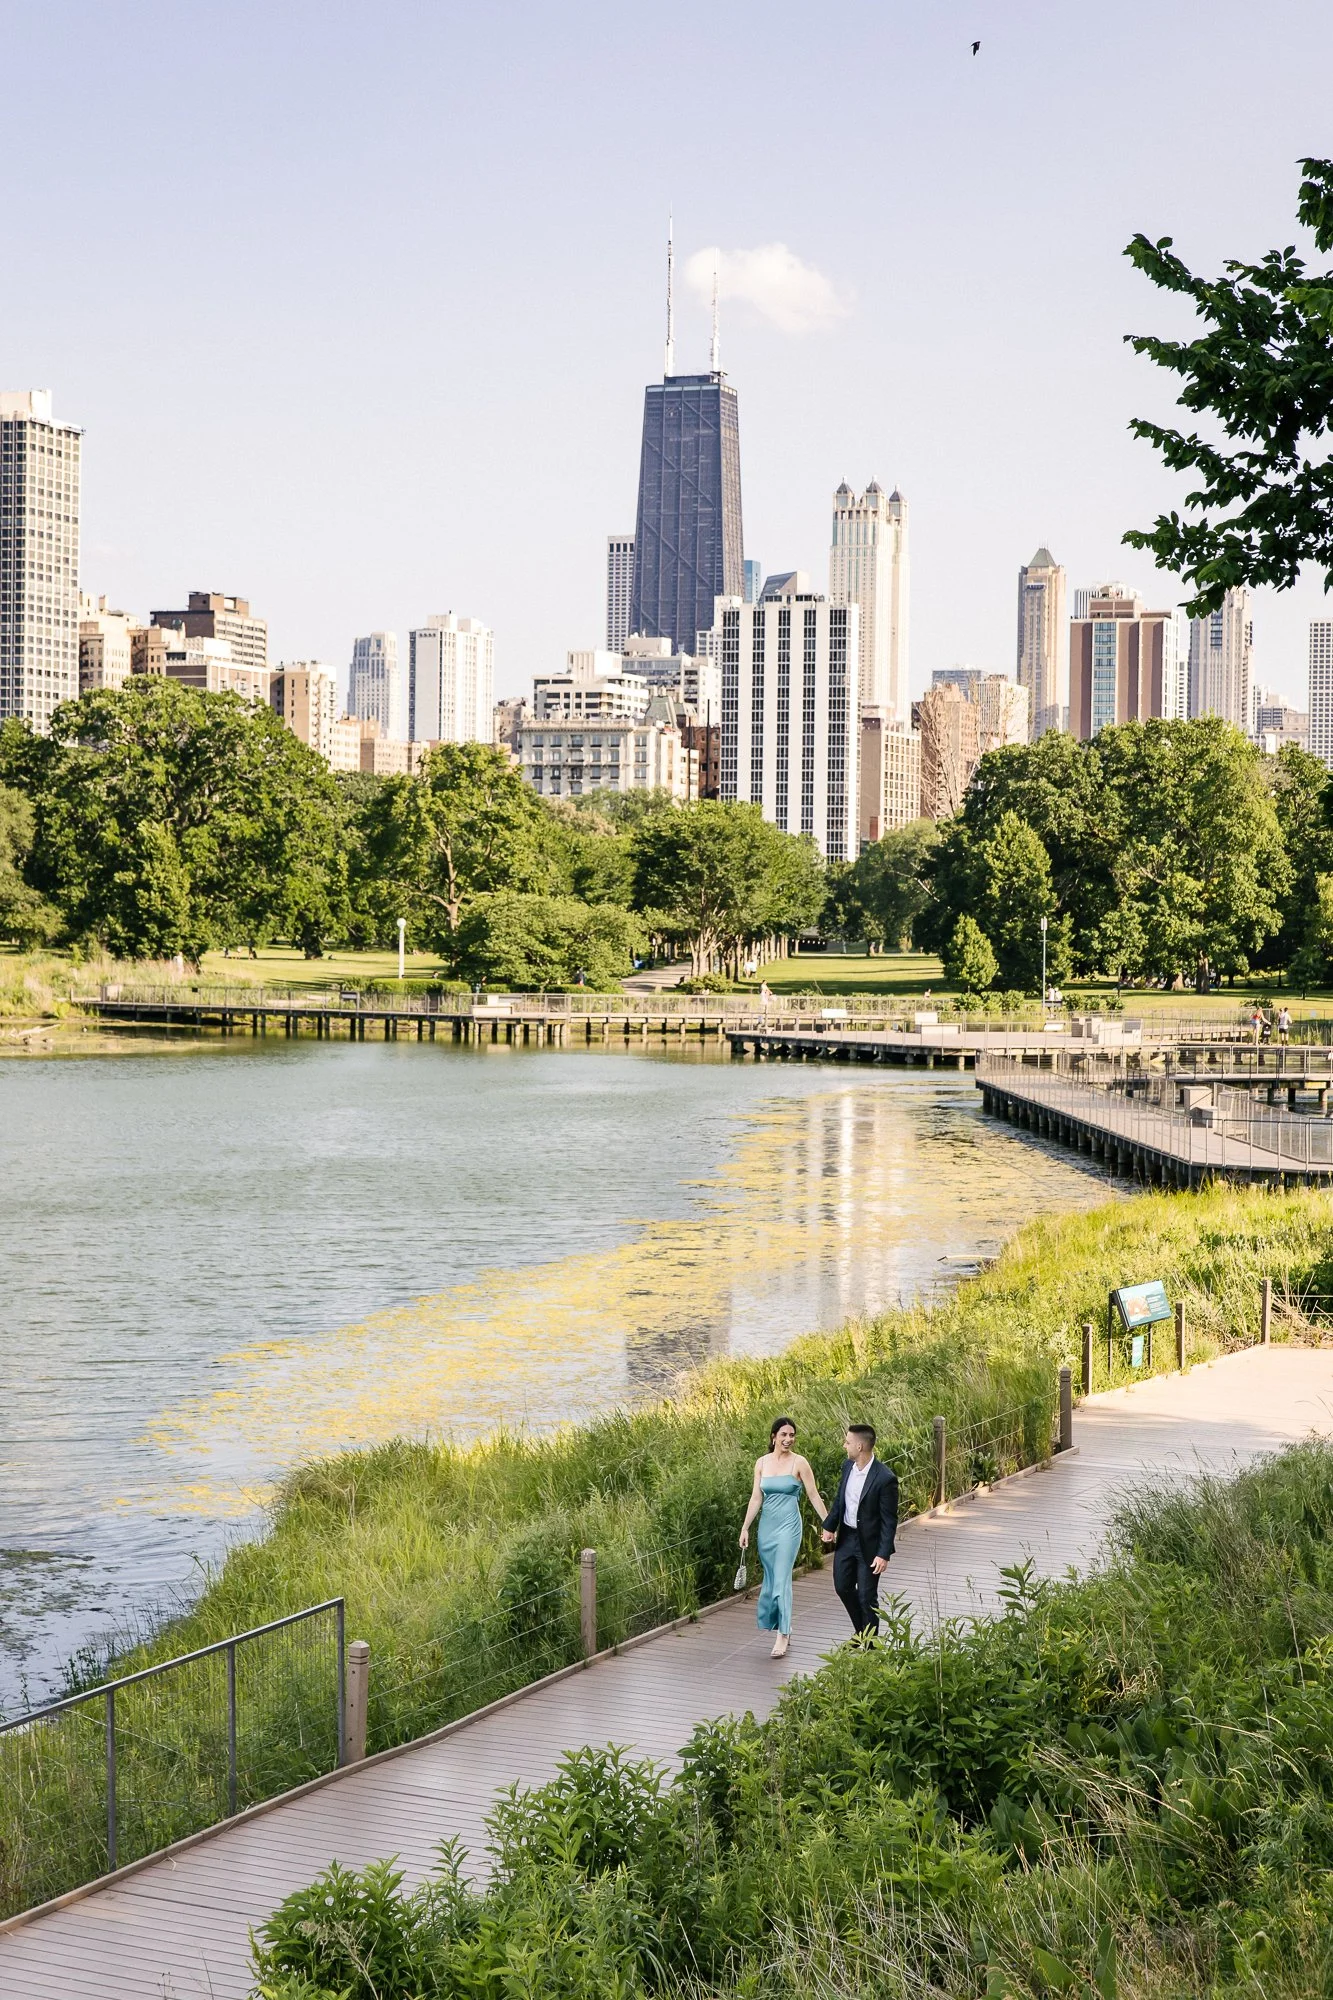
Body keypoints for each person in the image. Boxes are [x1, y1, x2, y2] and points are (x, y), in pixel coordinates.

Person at [738, 1417, 827, 1658]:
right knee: (771, 1579)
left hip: (789, 1526)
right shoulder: (762, 1463)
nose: (788, 1439)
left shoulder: (800, 1462)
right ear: (773, 1437)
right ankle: (782, 1624)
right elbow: (756, 1498)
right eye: (784, 1435)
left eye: (792, 1435)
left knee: (782, 1578)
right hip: (767, 1527)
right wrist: (745, 1527)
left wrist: (828, 1524)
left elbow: (813, 1495)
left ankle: (783, 1635)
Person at [821, 1423, 898, 1637]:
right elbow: (840, 1500)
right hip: (847, 1538)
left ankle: (871, 1648)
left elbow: (889, 1520)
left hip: (870, 1544)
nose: (845, 1445)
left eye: (848, 1442)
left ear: (860, 1446)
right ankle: (861, 1632)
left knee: (866, 1596)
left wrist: (883, 1554)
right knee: (842, 1587)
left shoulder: (885, 1478)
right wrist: (829, 1526)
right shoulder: (847, 1467)